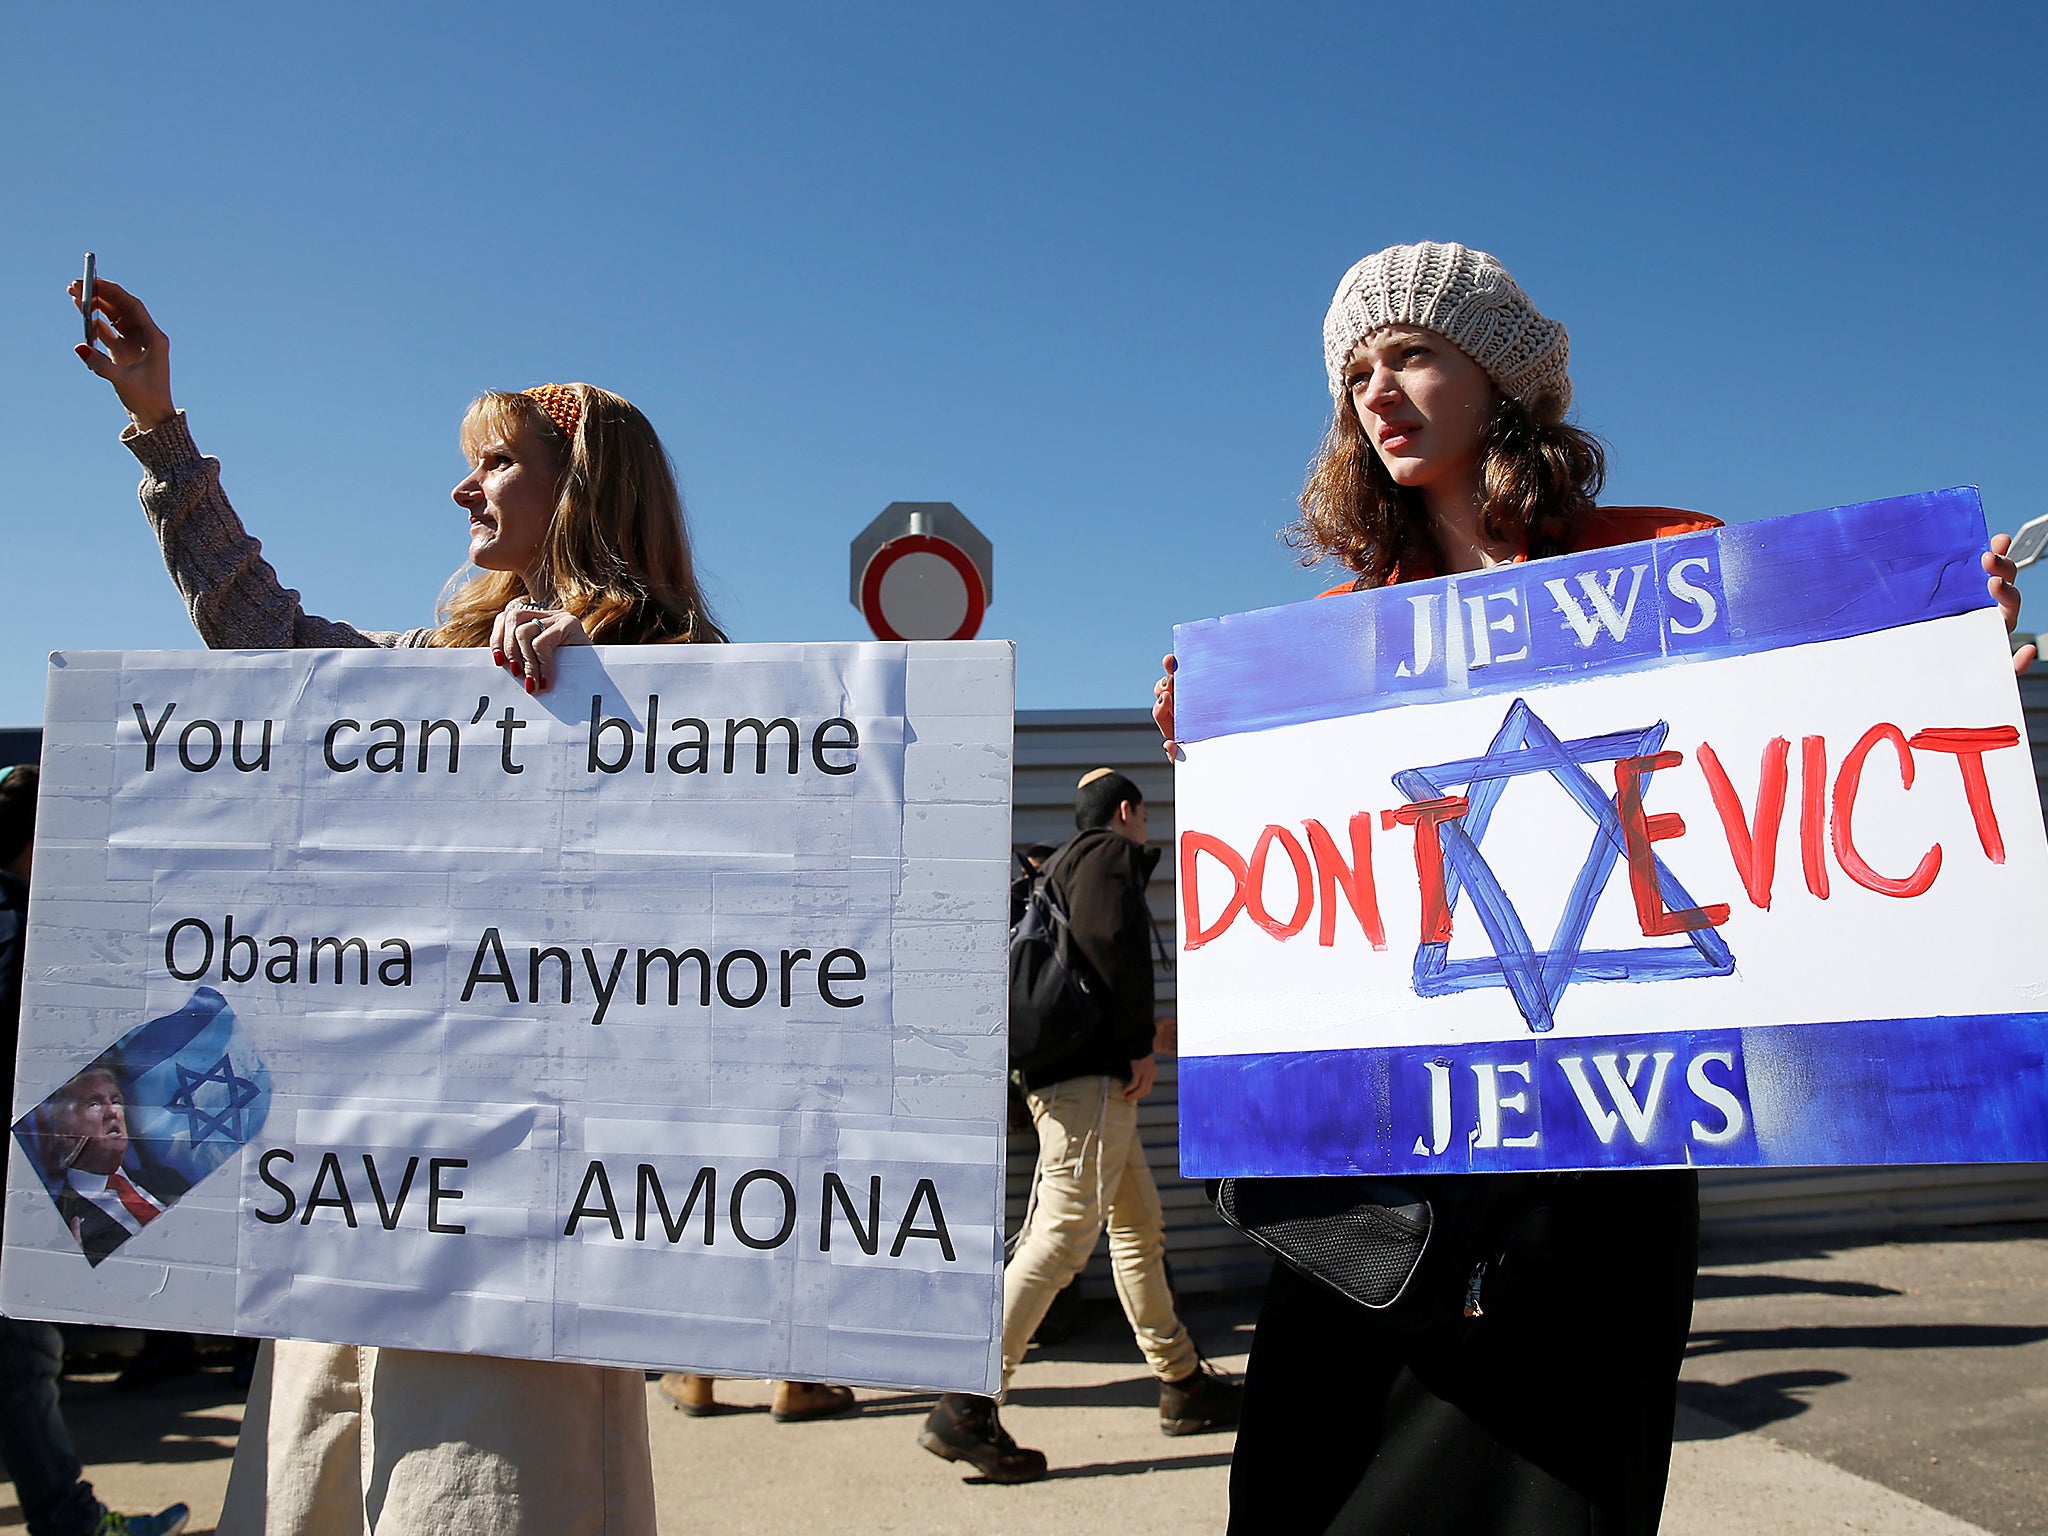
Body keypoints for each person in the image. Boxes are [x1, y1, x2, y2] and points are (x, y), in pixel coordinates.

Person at [1150, 241, 2033, 1536]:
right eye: (1354, 375)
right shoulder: (1325, 642)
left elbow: (1816, 745)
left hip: (1588, 1183)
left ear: (1499, 379)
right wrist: (1220, 740)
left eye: (1409, 356)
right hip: (1379, 1199)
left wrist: (1938, 652)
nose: (1377, 393)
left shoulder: (1668, 561)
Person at [71, 272, 726, 1536]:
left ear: (579, 488)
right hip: (350, 1200)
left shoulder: (686, 683)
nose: (459, 488)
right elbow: (261, 635)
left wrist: (596, 714)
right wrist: (159, 429)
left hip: (513, 1236)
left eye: (494, 462)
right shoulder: (424, 680)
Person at [918, 768, 1240, 1483]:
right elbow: (1108, 943)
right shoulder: (1106, 857)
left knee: (1137, 1227)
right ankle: (965, 1405)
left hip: (1080, 1083)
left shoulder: (1060, 864)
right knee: (1060, 1238)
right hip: (1089, 1085)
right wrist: (1133, 1045)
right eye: (1145, 816)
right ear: (1128, 810)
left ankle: (1182, 1383)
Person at [0, 764, 192, 1536]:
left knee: (22, 1359)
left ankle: (67, 1517)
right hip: (18, 1179)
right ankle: (69, 1523)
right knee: (23, 1361)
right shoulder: (33, 922)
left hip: (31, 1173)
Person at [37, 1067, 191, 1267]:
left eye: (116, 1101)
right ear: (67, 1135)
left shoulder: (167, 1179)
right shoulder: (60, 1227)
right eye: (94, 1104)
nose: (112, 1112)